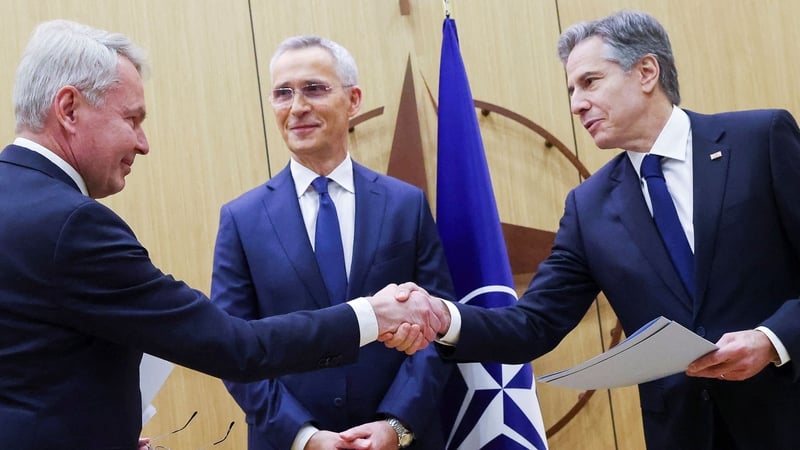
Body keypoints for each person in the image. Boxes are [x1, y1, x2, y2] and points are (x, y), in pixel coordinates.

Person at [0, 20, 444, 449]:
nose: (143, 142)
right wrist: (370, 316)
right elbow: (236, 345)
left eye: (314, 89)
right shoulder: (75, 224)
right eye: (132, 119)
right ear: (69, 108)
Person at [409, 10, 800, 450]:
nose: (576, 103)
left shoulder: (759, 140)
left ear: (646, 72)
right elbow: (533, 324)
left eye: (590, 82)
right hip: (684, 433)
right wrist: (445, 319)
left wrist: (773, 339)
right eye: (572, 90)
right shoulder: (588, 206)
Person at [210, 35, 455, 450]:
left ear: (353, 99)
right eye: (283, 93)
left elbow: (441, 324)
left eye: (314, 89)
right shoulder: (240, 219)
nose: (297, 106)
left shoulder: (405, 205)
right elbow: (230, 348)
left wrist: (395, 425)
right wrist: (303, 435)